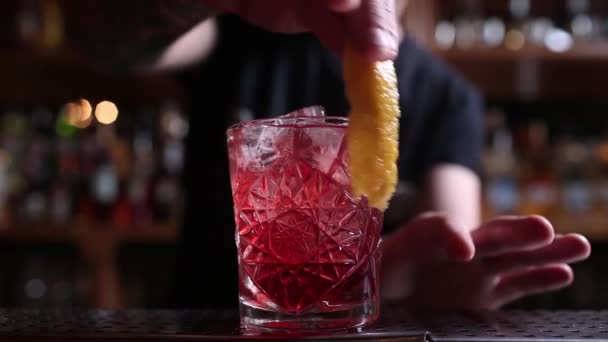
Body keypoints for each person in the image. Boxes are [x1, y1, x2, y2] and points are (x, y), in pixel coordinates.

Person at [59, 0, 590, 310]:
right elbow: (99, 39)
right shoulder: (239, 34)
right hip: (210, 323)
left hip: (358, 331)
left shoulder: (448, 97)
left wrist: (420, 277)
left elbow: (450, 242)